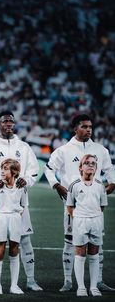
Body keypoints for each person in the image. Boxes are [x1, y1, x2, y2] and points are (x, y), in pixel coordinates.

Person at [44, 113, 115, 292]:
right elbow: (48, 169)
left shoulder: (100, 150)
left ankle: (98, 281)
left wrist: (112, 183)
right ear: (75, 128)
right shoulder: (64, 150)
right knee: (70, 241)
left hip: (95, 204)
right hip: (73, 205)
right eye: (84, 127)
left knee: (97, 242)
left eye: (90, 127)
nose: (88, 130)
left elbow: (109, 169)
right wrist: (57, 185)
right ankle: (68, 281)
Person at [0, 110, 42, 292]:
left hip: (20, 203)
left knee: (25, 240)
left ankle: (31, 280)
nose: (9, 124)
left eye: (11, 121)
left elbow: (34, 170)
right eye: (5, 121)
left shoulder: (24, 147)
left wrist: (26, 179)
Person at [66, 154, 108, 297]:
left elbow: (102, 206)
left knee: (94, 254)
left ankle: (93, 287)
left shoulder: (100, 186)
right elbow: (70, 206)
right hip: (80, 221)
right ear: (80, 167)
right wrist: (79, 217)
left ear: (96, 168)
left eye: (93, 163)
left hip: (96, 221)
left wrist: (93, 216)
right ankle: (81, 287)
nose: (90, 165)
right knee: (80, 254)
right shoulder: (74, 185)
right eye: (87, 163)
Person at [0, 158, 27, 295]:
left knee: (14, 249)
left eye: (6, 169)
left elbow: (23, 206)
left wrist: (15, 217)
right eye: (2, 168)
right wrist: (1, 217)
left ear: (14, 172)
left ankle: (14, 285)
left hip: (16, 218)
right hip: (1, 217)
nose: (2, 171)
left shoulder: (22, 187)